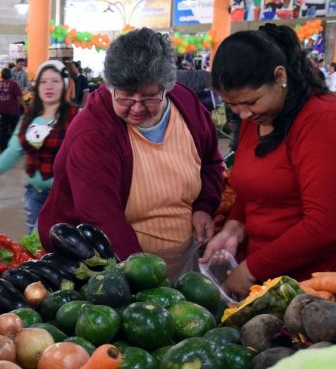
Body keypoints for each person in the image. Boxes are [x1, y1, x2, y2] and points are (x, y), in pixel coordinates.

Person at [202, 25, 336, 297]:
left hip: (323, 283)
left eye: (250, 101)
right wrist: (235, 227)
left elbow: (325, 227)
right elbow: (253, 187)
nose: (243, 114)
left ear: (280, 76)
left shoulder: (325, 120)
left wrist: (250, 269)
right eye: (232, 105)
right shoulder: (259, 116)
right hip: (269, 278)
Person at [37, 28, 225, 280]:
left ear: (167, 88)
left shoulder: (186, 104)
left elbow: (211, 162)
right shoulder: (93, 134)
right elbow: (103, 222)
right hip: (113, 269)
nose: (137, 108)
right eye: (125, 96)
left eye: (149, 97)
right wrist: (147, 283)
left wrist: (204, 206)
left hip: (181, 263)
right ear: (109, 85)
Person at [0, 61, 79, 234]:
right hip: (33, 194)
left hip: (62, 197)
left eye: (55, 81)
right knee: (34, 242)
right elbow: (14, 150)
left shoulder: (76, 118)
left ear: (65, 85)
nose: (49, 86)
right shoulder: (28, 118)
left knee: (45, 241)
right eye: (43, 81)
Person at [0, 67, 24, 152]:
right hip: (13, 111)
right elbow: (19, 98)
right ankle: (14, 149)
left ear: (2, 76)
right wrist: (25, 107)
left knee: (3, 131)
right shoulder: (14, 84)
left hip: (1, 111)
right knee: (15, 131)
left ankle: (3, 149)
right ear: (10, 75)